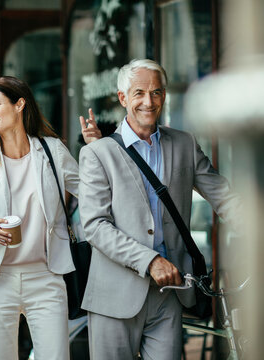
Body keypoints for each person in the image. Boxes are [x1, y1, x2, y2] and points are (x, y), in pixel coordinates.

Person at [78, 59, 240, 359]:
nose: (148, 101)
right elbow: (95, 226)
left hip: (172, 293)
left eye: (156, 92)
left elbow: (224, 197)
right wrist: (150, 261)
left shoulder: (185, 143)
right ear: (123, 98)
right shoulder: (96, 153)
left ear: (164, 95)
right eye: (138, 93)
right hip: (115, 292)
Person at [0, 76, 100, 359]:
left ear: (19, 104)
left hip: (46, 276)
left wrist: (97, 149)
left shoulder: (52, 150)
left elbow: (92, 192)